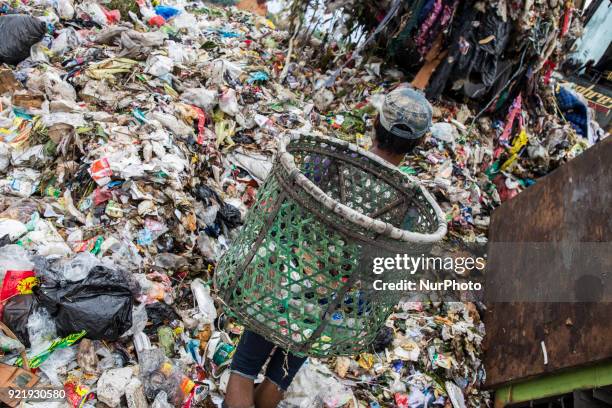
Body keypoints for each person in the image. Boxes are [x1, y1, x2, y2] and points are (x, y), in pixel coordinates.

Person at [223, 85, 433, 408]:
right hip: (338, 312)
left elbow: (284, 217)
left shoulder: (329, 161)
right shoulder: (410, 206)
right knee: (280, 376)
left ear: (375, 121)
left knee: (243, 370)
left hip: (287, 286)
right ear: (419, 143)